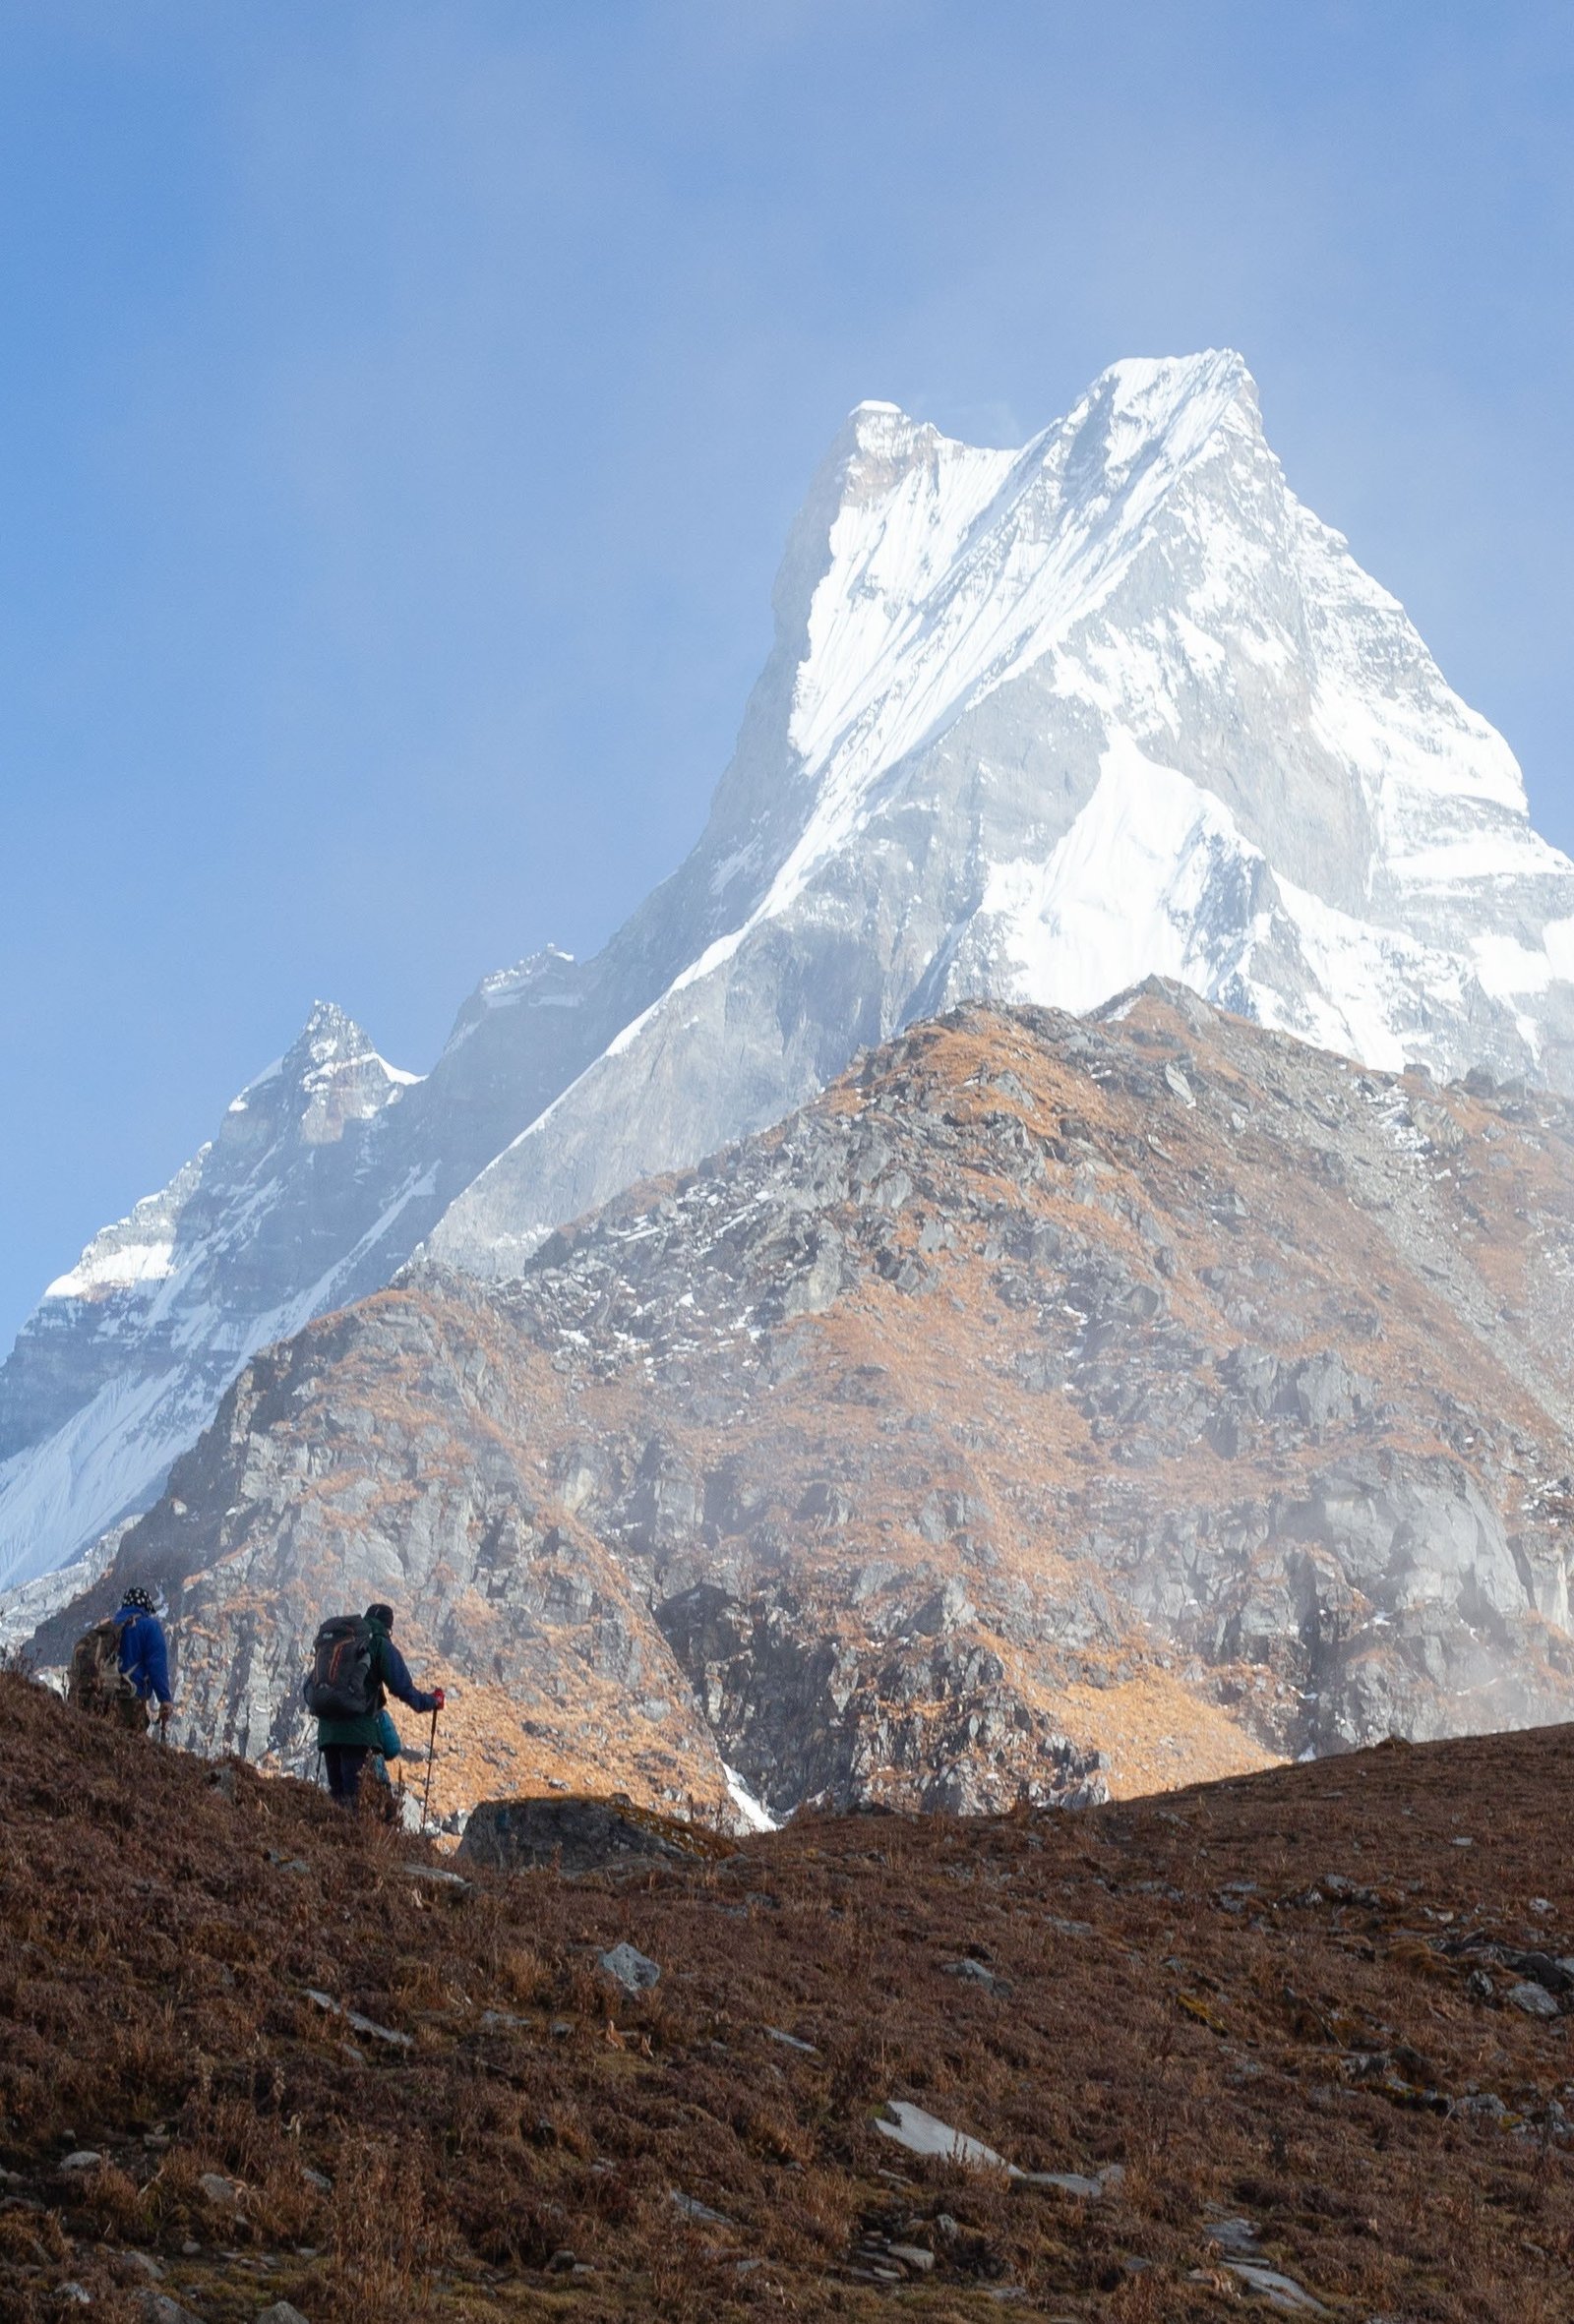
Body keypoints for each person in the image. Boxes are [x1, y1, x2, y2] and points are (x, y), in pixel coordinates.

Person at [313, 1601, 443, 1808]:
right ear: (388, 1627)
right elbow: (404, 1690)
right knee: (356, 1801)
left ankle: (328, 1839)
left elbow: (313, 1684)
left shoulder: (342, 1642)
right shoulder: (379, 1644)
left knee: (337, 1800)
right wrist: (432, 1701)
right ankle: (354, 1839)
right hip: (358, 1734)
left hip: (327, 1732)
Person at [68, 1584, 175, 1735]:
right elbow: (156, 1665)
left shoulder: (111, 1626)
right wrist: (165, 1699)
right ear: (146, 1607)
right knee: (131, 1751)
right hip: (130, 1702)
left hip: (101, 1699)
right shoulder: (150, 1627)